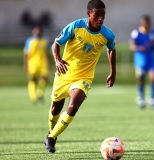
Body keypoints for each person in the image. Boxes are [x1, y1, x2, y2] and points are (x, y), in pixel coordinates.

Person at [44, 0, 116, 153]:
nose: (100, 19)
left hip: (84, 76)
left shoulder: (107, 34)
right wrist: (57, 60)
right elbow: (56, 44)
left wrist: (113, 72)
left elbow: (111, 49)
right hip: (65, 73)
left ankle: (51, 138)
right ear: (89, 14)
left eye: (103, 16)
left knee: (73, 105)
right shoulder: (76, 26)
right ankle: (51, 133)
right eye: (97, 15)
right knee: (56, 107)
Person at [129, 15, 154, 109]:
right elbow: (132, 47)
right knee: (141, 78)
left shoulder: (153, 33)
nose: (146, 24)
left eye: (148, 22)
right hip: (140, 60)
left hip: (150, 60)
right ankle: (141, 98)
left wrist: (153, 45)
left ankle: (152, 100)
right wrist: (139, 48)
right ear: (141, 23)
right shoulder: (136, 33)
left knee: (153, 77)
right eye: (145, 22)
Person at [24, 26, 51, 103]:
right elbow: (26, 54)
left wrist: (50, 63)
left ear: (41, 32)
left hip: (43, 63)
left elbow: (47, 53)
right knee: (33, 79)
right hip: (32, 63)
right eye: (36, 31)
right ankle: (33, 96)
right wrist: (26, 66)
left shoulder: (45, 41)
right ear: (33, 32)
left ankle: (40, 93)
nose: (37, 33)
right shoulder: (29, 41)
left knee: (45, 78)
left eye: (39, 31)